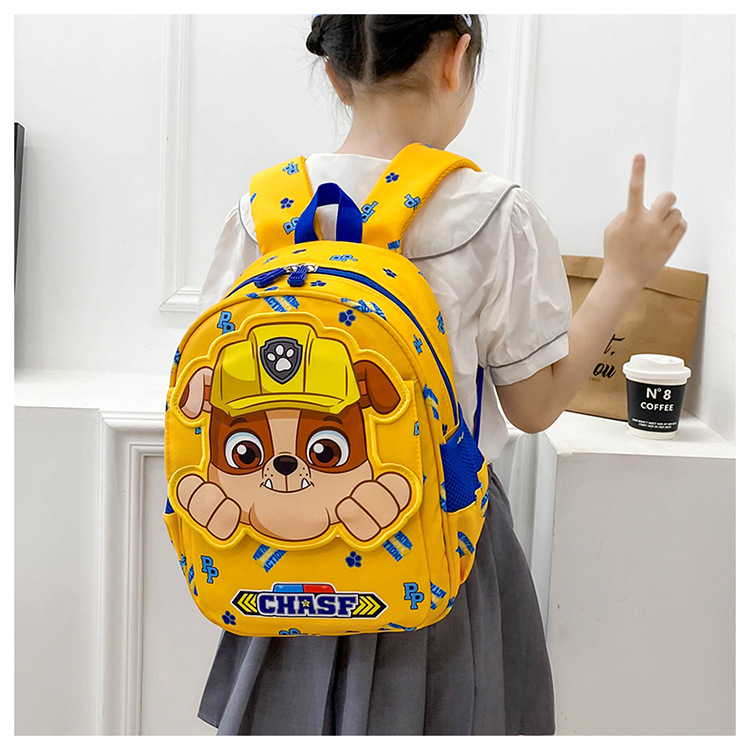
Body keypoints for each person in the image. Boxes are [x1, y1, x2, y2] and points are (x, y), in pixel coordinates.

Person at [194, 15, 687, 736]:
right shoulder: (493, 214)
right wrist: (622, 275)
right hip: (436, 547)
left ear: (334, 74)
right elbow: (536, 406)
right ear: (456, 59)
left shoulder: (260, 215)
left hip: (282, 562)